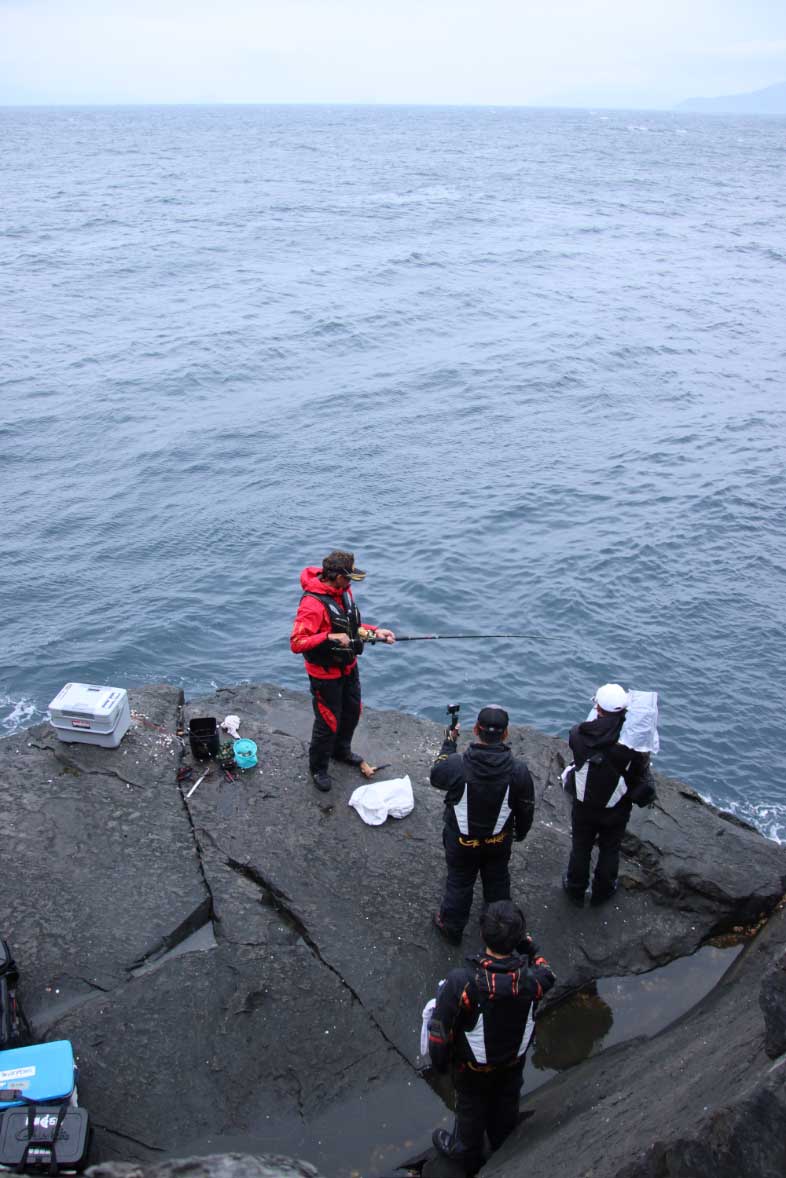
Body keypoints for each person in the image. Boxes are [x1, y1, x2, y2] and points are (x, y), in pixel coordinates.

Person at [427, 900, 555, 1175]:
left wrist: (441, 1066)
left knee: (470, 1110)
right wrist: (531, 949)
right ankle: (502, 1141)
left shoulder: (463, 982)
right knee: (507, 1101)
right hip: (512, 1061)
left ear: (483, 934)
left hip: (472, 1069)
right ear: (518, 938)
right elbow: (548, 972)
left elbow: (439, 1029)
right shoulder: (532, 982)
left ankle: (465, 1150)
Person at [290, 550, 395, 792]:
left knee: (352, 712)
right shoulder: (311, 604)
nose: (350, 583)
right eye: (347, 578)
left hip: (348, 667)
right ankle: (318, 767)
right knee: (328, 722)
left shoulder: (343, 592)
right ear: (335, 576)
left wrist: (375, 632)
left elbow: (351, 627)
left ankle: (341, 751)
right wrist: (327, 636)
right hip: (324, 675)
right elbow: (296, 642)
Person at [431, 706, 535, 945]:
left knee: (459, 881)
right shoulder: (518, 770)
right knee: (497, 881)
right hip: (498, 840)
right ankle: (500, 933)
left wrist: (449, 744)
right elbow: (526, 807)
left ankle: (451, 927)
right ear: (506, 733)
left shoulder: (457, 764)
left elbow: (437, 775)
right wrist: (521, 831)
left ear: (476, 730)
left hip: (462, 840)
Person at [562, 682, 656, 907]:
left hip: (584, 805)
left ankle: (575, 888)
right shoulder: (631, 745)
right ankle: (603, 890)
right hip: (616, 807)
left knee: (581, 846)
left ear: (598, 708)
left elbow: (586, 741)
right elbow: (640, 769)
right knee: (610, 848)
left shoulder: (577, 734)